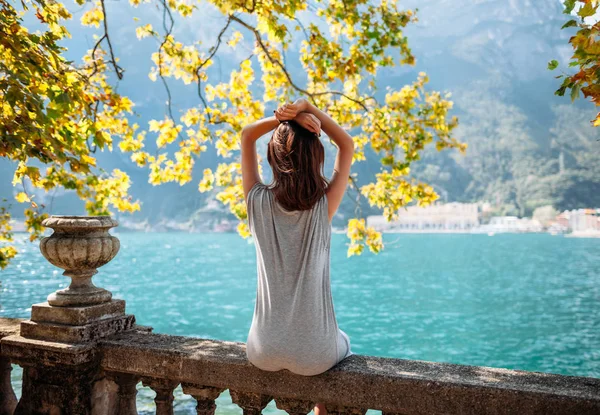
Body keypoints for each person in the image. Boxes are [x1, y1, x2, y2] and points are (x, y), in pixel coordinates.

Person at [240, 98, 355, 415]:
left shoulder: (257, 201)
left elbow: (247, 135)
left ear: (273, 158)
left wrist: (283, 120)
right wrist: (310, 111)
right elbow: (346, 145)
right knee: (342, 339)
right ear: (316, 159)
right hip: (315, 357)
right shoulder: (323, 206)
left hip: (261, 350)